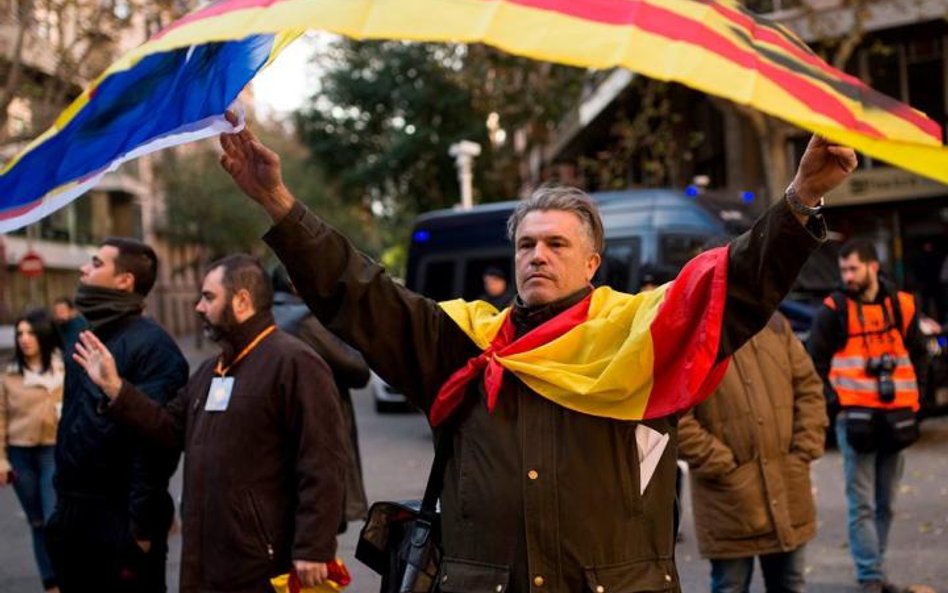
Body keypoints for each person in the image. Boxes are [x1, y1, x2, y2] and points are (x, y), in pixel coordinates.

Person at [219, 117, 853, 592]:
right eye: (526, 244)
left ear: (592, 261)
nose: (537, 255)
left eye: (555, 243)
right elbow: (362, 295)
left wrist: (800, 198)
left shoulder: (642, 332)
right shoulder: (465, 343)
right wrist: (278, 203)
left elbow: (736, 283)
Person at [72, 254, 349, 592]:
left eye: (208, 297)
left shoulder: (295, 363)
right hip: (204, 561)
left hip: (260, 563)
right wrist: (117, 389)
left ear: (242, 300)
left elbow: (322, 461)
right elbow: (169, 429)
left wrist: (314, 547)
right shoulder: (210, 371)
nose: (199, 307)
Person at [46, 238, 188, 593]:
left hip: (119, 521)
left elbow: (157, 443)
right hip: (73, 515)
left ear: (124, 281)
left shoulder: (155, 348)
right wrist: (61, 515)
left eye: (95, 263)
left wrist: (140, 528)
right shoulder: (86, 335)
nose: (83, 269)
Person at [808, 239, 928, 593]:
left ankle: (876, 566)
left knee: (885, 503)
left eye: (853, 268)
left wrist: (916, 398)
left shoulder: (901, 306)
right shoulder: (834, 309)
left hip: (896, 418)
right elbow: (813, 361)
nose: (847, 276)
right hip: (855, 420)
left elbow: (920, 355)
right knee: (861, 502)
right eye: (843, 269)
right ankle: (870, 576)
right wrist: (836, 404)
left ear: (873, 267)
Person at [678, 312, 827, 593]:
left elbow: (809, 388)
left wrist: (804, 449)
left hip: (787, 486)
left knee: (790, 584)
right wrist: (720, 462)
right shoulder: (694, 335)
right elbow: (678, 417)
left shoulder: (776, 325)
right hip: (729, 497)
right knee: (731, 586)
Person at [271, 265, 370, 528]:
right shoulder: (307, 321)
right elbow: (358, 370)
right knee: (318, 520)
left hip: (275, 430)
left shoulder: (264, 315)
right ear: (296, 284)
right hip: (319, 425)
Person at [1, 310, 64, 592]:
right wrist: (0, 460)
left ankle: (66, 577)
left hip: (53, 452)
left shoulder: (63, 369)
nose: (24, 339)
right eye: (20, 334)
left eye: (31, 333)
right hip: (21, 454)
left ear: (44, 336)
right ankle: (51, 583)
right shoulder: (8, 376)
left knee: (53, 519)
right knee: (38, 522)